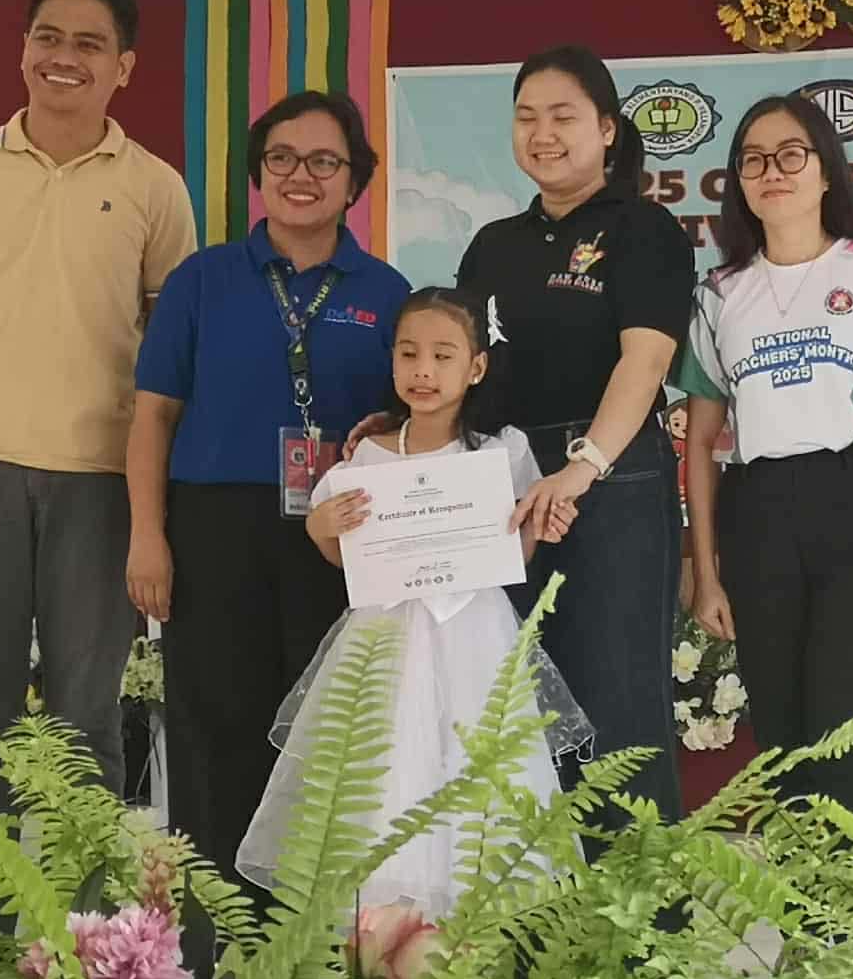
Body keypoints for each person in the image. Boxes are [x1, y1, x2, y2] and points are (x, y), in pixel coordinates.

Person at [352, 45, 692, 840]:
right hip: (498, 488)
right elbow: (463, 365)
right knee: (508, 702)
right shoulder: (493, 245)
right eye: (526, 117)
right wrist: (396, 427)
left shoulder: (645, 230)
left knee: (615, 705)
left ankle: (646, 941)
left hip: (611, 486)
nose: (543, 133)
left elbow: (644, 363)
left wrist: (583, 468)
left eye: (564, 116)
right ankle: (529, 926)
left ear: (607, 129)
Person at [0, 0, 195, 811]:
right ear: (24, 49)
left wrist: (151, 515)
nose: (64, 57)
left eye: (89, 44)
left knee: (87, 725)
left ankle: (91, 939)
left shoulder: (155, 189)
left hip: (100, 483)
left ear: (124, 67)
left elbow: (169, 373)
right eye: (48, 38)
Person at [128, 91, 410, 885]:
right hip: (214, 527)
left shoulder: (386, 293)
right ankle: (217, 936)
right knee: (212, 728)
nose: (302, 176)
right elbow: (152, 418)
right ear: (259, 173)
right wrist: (147, 536)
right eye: (282, 158)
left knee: (327, 733)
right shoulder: (202, 282)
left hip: (339, 535)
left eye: (326, 161)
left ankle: (317, 941)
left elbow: (418, 409)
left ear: (355, 181)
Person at [238, 288, 579, 915]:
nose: (424, 371)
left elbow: (518, 556)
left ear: (475, 367)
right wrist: (321, 527)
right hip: (386, 639)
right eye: (409, 354)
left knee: (471, 764)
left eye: (443, 356)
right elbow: (344, 555)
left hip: (473, 636)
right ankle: (388, 938)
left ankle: (465, 949)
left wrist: (538, 527)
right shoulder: (368, 454)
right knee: (387, 765)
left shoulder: (502, 451)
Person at [680, 95, 853, 825]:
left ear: (827, 171)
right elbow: (699, 442)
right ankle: (803, 928)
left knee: (845, 735)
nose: (773, 172)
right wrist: (706, 569)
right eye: (754, 159)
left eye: (792, 154)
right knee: (783, 740)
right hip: (756, 513)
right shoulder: (718, 295)